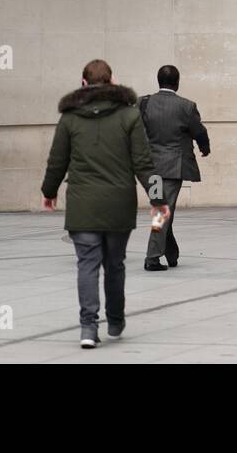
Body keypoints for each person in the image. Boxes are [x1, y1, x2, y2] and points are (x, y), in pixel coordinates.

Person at [41, 58, 169, 348]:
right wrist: (158, 198)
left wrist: (48, 192)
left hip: (82, 206)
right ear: (112, 82)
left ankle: (88, 328)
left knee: (87, 265)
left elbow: (56, 162)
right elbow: (145, 164)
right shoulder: (129, 116)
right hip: (118, 205)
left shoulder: (70, 118)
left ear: (83, 84)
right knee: (115, 265)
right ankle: (115, 319)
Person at [139, 65, 210, 271]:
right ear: (177, 82)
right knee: (162, 211)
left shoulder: (144, 103)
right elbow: (199, 131)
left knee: (160, 209)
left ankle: (171, 253)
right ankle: (152, 258)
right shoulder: (186, 106)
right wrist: (205, 148)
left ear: (158, 80)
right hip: (172, 168)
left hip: (150, 168)